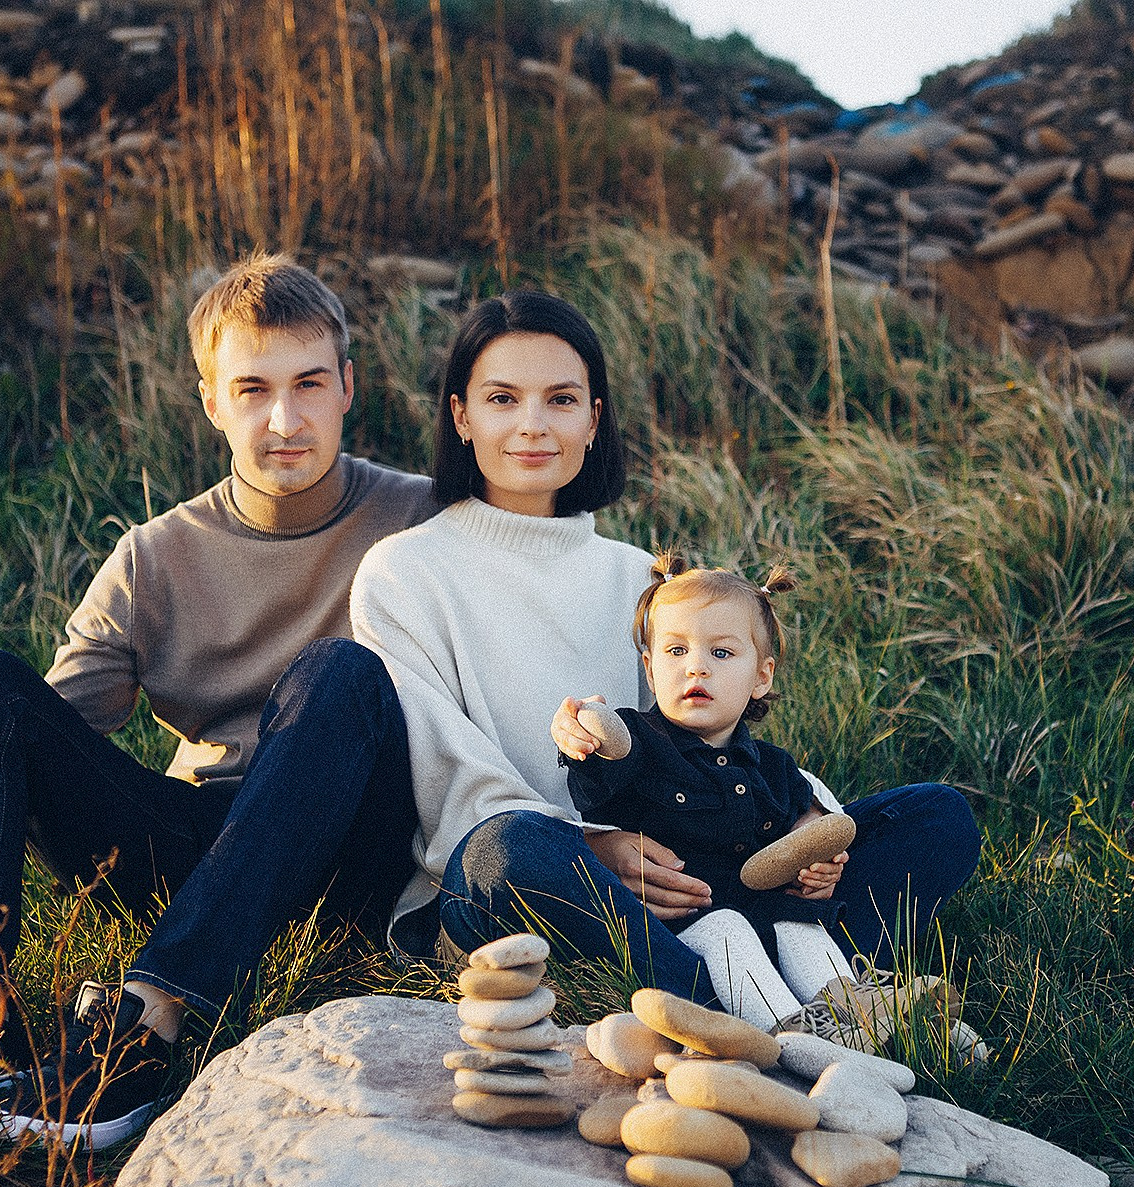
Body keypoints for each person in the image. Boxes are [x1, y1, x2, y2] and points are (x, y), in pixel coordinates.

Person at [0, 254, 440, 1148]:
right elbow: (43, 735)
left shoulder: (426, 518)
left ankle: (144, 1018)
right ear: (210, 403)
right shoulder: (156, 555)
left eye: (310, 382)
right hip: (195, 847)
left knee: (341, 672)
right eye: (253, 389)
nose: (284, 419)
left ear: (348, 386)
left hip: (348, 855)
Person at [348, 290, 982, 1036]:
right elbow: (447, 782)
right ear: (461, 417)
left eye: (560, 399)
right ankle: (746, 1007)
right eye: (501, 398)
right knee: (507, 850)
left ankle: (806, 992)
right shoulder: (403, 572)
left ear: (593, 419)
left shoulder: (641, 580)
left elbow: (711, 740)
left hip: (695, 883)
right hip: (532, 881)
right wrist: (598, 845)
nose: (531, 424)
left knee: (936, 816)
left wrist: (813, 821)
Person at [556, 556, 868, 1035]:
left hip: (768, 908)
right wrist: (594, 735)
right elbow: (596, 787)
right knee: (728, 932)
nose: (695, 667)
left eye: (720, 654)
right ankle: (788, 1034)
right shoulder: (642, 744)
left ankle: (853, 1012)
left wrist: (816, 859)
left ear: (761, 677)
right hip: (684, 921)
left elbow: (804, 824)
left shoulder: (774, 766)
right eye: (675, 651)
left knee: (803, 925)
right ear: (650, 668)